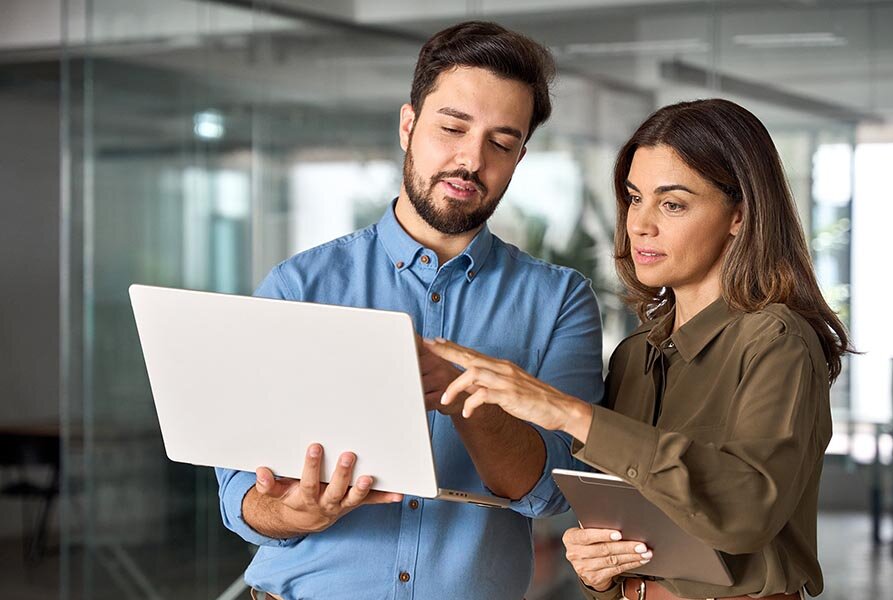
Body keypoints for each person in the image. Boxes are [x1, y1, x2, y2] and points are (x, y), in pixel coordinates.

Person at [214, 21, 604, 600]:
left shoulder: (559, 301)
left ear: (520, 157)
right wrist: (294, 513)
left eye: (501, 143)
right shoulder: (299, 286)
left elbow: (552, 492)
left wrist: (465, 392)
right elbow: (239, 497)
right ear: (408, 125)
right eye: (452, 128)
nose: (470, 160)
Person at [426, 98, 853, 600]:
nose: (640, 224)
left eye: (672, 204)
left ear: (739, 214)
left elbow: (746, 512)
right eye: (634, 198)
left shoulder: (777, 340)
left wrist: (570, 413)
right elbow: (628, 533)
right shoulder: (634, 357)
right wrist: (597, 567)